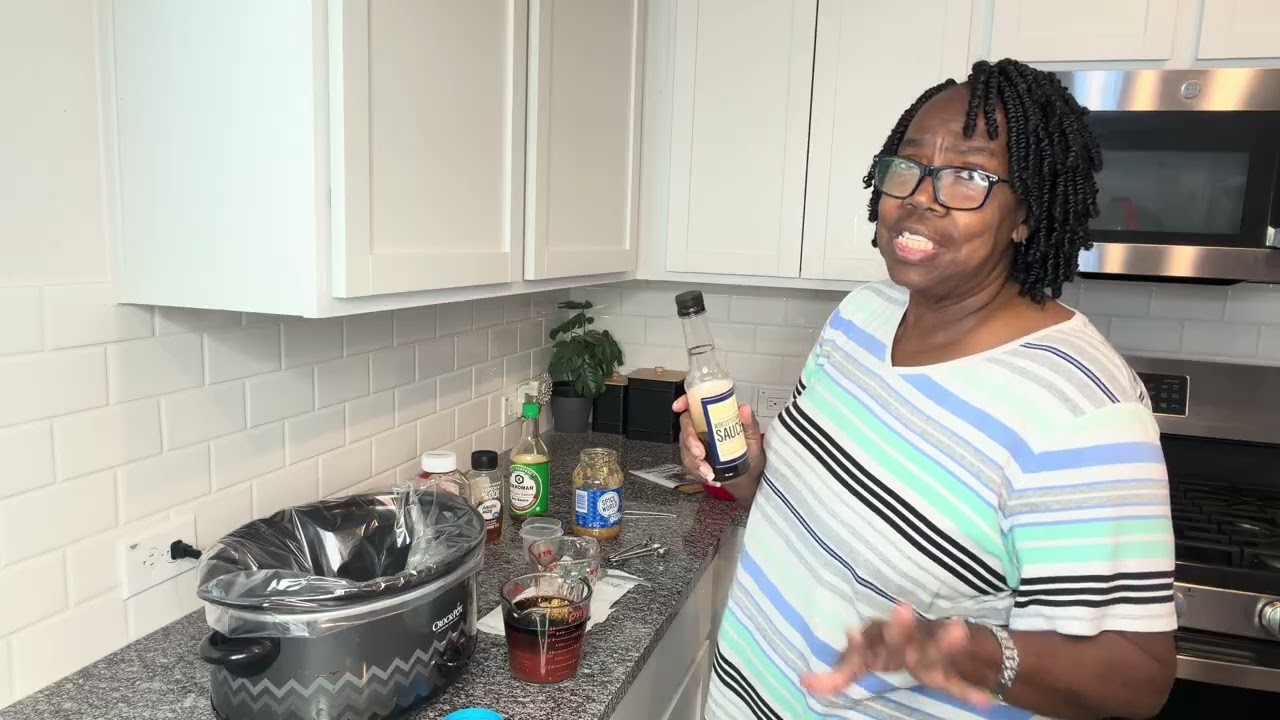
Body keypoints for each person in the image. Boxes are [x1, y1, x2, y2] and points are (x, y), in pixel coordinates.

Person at [679, 58, 1177, 720]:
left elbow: (1137, 677)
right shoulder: (861, 315)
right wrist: (741, 463)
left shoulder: (1083, 411)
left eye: (969, 176)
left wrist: (967, 651)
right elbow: (799, 501)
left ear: (1024, 215)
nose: (920, 197)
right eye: (907, 167)